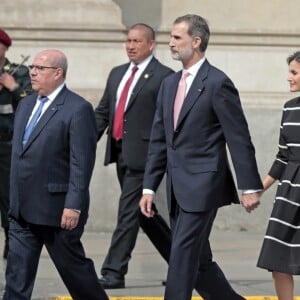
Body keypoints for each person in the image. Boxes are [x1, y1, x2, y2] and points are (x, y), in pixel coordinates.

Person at [139, 14, 263, 300]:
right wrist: (149, 187)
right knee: (199, 259)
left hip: (204, 184)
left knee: (181, 254)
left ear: (196, 42)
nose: (169, 43)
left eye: (176, 37)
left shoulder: (218, 83)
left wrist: (250, 186)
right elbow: (160, 139)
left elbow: (239, 137)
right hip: (175, 186)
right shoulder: (169, 84)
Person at [3, 49, 108, 300]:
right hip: (21, 210)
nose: (33, 72)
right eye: (33, 67)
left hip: (57, 210)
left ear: (58, 73)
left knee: (76, 274)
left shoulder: (77, 108)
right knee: (16, 280)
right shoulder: (26, 104)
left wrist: (73, 205)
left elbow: (81, 163)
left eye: (40, 68)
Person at [94, 23, 173, 289]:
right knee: (143, 213)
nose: (130, 46)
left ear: (151, 44)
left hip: (146, 158)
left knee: (127, 212)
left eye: (137, 41)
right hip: (120, 153)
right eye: (128, 40)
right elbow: (103, 112)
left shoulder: (164, 76)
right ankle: (186, 263)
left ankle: (114, 271)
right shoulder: (117, 74)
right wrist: (82, 141)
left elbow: (168, 120)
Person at [257, 51, 300, 300]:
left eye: (294, 73)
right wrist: (259, 188)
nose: (289, 78)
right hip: (288, 194)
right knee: (278, 260)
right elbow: (283, 156)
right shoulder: (290, 108)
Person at [0, 28, 32, 259]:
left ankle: (12, 249)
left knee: (8, 201)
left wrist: (13, 88)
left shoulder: (18, 73)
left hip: (6, 147)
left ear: (5, 47)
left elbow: (30, 104)